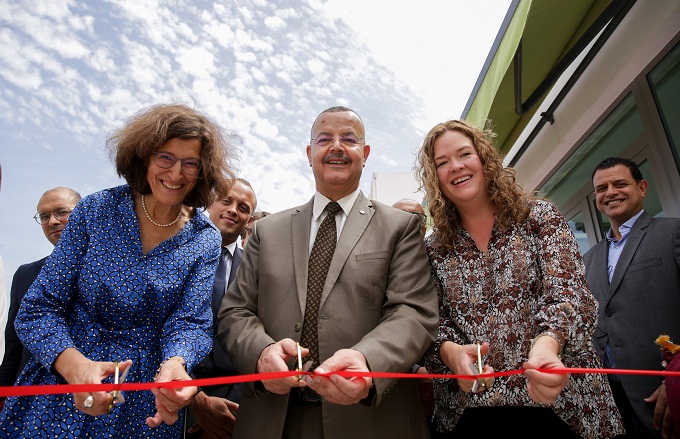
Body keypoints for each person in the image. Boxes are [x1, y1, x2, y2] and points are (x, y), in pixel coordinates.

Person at [0, 104, 234, 438]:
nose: (177, 173)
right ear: (144, 157)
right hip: (62, 388)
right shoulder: (96, 210)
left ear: (204, 171)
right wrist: (76, 368)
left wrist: (176, 363)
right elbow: (38, 308)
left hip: (143, 402)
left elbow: (191, 322)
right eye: (165, 158)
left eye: (191, 163)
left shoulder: (205, 238)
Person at [218, 106, 439, 438]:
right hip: (272, 419)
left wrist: (368, 360)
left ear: (364, 154)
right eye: (325, 139)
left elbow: (413, 311)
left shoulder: (400, 227)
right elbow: (235, 310)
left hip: (369, 420)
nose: (336, 146)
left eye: (348, 139)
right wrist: (261, 353)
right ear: (310, 154)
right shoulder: (268, 231)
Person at [416, 120, 624, 438]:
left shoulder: (538, 217)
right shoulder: (433, 249)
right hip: (471, 413)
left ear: (484, 159)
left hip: (564, 406)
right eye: (442, 163)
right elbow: (430, 323)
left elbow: (569, 291)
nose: (455, 166)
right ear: (435, 178)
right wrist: (451, 353)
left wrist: (548, 344)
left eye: (464, 154)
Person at [584, 156, 680, 439]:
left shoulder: (672, 232)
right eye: (602, 188)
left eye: (620, 183)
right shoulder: (588, 259)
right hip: (612, 403)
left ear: (643, 187)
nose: (610, 192)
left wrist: (675, 381)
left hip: (666, 395)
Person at [186, 178, 257, 439]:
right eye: (226, 201)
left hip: (233, 404)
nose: (233, 210)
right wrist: (196, 400)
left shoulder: (255, 270)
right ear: (209, 203)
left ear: (248, 220)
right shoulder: (174, 253)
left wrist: (229, 410)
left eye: (243, 207)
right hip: (175, 393)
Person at [0, 187, 82, 404]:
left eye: (62, 212)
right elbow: (14, 349)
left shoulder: (106, 272)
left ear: (84, 213)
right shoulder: (25, 274)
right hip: (29, 399)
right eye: (44, 216)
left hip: (86, 396)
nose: (53, 221)